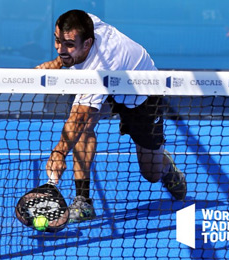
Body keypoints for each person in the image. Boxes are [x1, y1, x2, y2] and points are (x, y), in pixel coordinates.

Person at [36, 10, 187, 223]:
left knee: (151, 174)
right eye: (57, 40)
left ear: (88, 44)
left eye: (68, 45)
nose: (60, 48)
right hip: (113, 84)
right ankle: (83, 201)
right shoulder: (86, 22)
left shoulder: (101, 66)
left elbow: (78, 118)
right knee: (86, 126)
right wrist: (59, 61)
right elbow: (82, 121)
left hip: (142, 95)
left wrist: (59, 153)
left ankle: (165, 165)